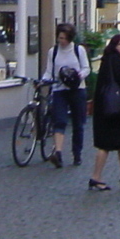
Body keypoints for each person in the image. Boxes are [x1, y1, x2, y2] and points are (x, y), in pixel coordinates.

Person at [87, 32, 120, 191]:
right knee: (107, 145)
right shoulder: (114, 60)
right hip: (114, 110)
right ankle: (96, 177)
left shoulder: (108, 59)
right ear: (115, 46)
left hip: (110, 108)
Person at [41, 23, 89, 168]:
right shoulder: (53, 51)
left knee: (77, 123)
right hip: (59, 90)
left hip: (77, 90)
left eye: (63, 38)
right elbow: (49, 71)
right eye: (59, 38)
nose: (60, 41)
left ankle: (77, 154)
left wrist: (79, 75)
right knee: (59, 121)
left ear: (70, 38)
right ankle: (58, 153)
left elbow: (86, 68)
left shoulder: (78, 50)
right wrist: (44, 80)